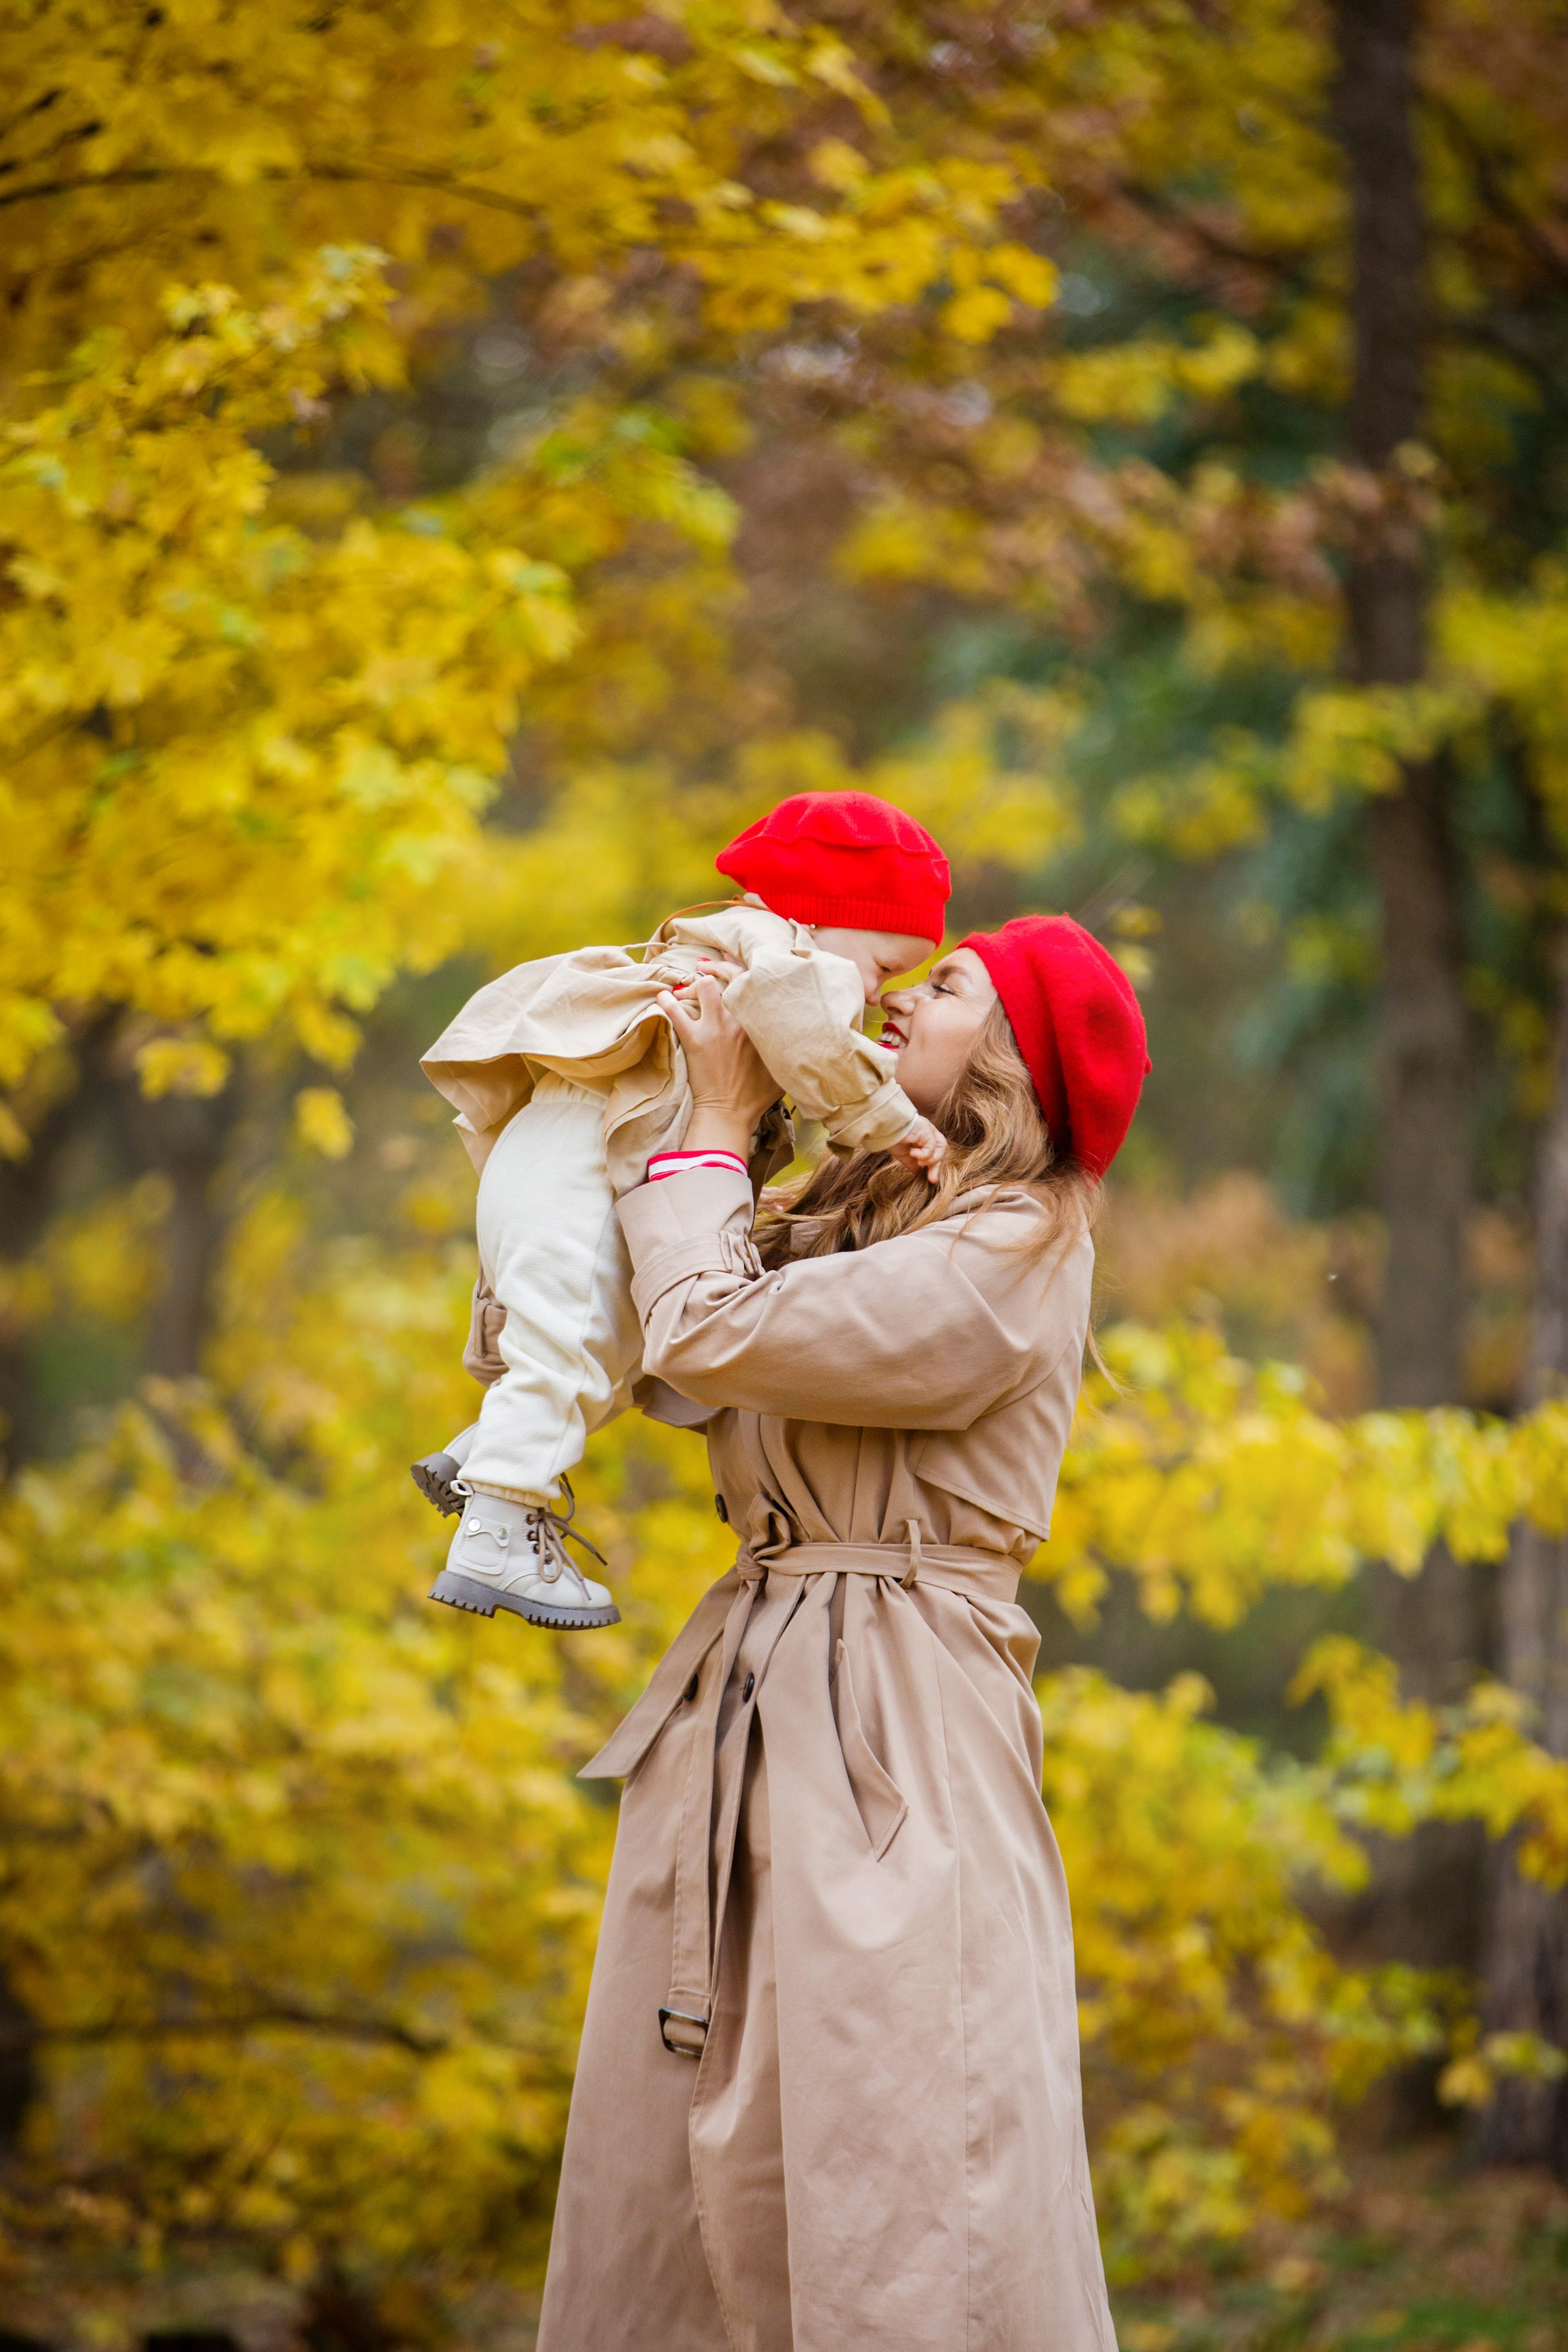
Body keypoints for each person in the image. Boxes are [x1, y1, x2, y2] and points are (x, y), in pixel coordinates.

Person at [535, 914, 1152, 2352]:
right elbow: (658, 1353)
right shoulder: (865, 1210)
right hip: (748, 1699)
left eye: (941, 989)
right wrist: (659, 1114)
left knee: (901, 2149)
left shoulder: (1014, 1240)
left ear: (1007, 1063)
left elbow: (714, 1339)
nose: (891, 997)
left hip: (897, 1724)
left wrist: (715, 1122)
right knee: (684, 2153)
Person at [410, 791, 952, 1630]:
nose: (881, 996)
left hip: (544, 1159)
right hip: (584, 1175)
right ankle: (499, 1532)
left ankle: (480, 1456)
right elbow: (810, 1035)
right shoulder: (787, 963)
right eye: (887, 966)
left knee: (611, 1346)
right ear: (824, 916)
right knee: (571, 1352)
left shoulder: (722, 947)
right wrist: (893, 1126)